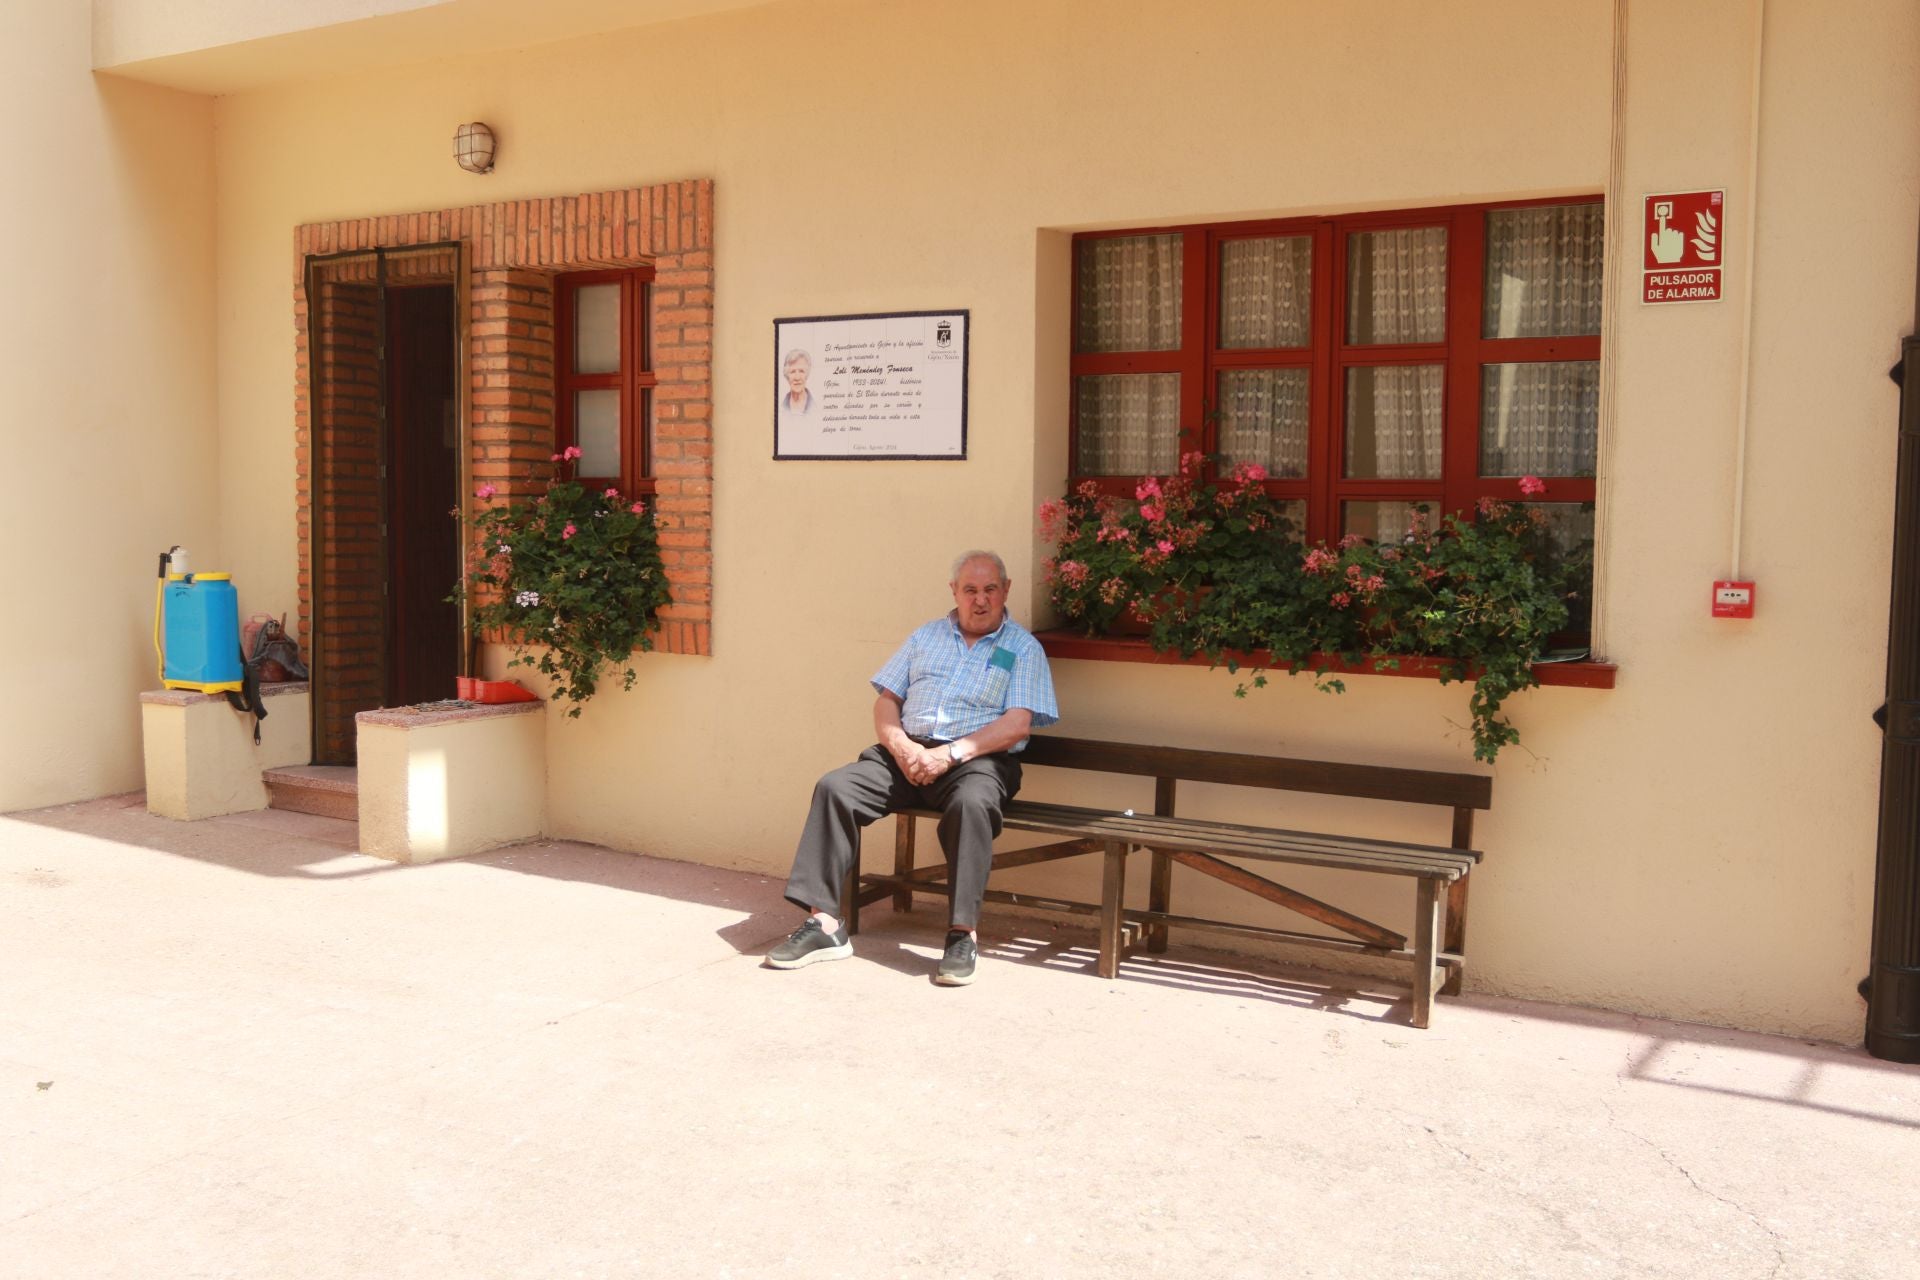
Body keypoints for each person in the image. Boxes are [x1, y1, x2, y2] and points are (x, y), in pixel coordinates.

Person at [766, 550, 1059, 986]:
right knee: (836, 789)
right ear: (954, 593)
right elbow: (887, 700)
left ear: (1006, 590)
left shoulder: (1022, 648)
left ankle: (962, 934)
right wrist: (902, 747)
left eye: (990, 590)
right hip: (908, 754)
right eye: (970, 590)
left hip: (976, 762)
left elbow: (1016, 726)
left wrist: (950, 754)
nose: (980, 600)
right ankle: (825, 925)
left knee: (973, 805)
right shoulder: (926, 637)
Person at [778, 348, 813, 418]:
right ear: (787, 375)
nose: (797, 378)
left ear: (807, 375)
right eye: (793, 371)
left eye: (801, 371)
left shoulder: (815, 407)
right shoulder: (780, 408)